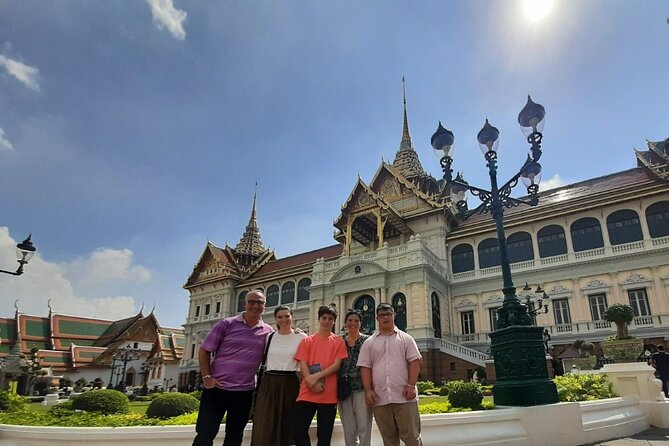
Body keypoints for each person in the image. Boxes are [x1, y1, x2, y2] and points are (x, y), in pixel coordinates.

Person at [193, 289, 273, 446]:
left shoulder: (268, 331)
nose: (255, 306)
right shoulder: (226, 324)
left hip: (244, 392)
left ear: (265, 306)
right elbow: (204, 350)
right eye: (251, 302)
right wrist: (207, 378)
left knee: (235, 436)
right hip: (217, 389)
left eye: (259, 302)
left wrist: (297, 334)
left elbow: (277, 351)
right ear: (245, 303)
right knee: (205, 433)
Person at [358, 303, 423, 446]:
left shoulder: (406, 339)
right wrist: (368, 390)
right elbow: (365, 368)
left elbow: (415, 362)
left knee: (412, 438)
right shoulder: (369, 343)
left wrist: (411, 385)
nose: (385, 317)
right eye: (382, 315)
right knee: (389, 441)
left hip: (405, 397)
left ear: (394, 316)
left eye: (388, 314)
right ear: (377, 318)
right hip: (380, 399)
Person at [251, 305, 307, 446]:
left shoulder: (301, 337)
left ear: (292, 316)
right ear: (275, 319)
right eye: (280, 317)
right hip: (270, 383)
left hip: (291, 383)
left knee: (289, 423)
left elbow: (306, 361)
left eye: (287, 316)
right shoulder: (269, 337)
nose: (284, 320)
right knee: (266, 422)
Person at [294, 305, 348, 446]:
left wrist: (315, 377)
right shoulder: (307, 341)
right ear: (319, 319)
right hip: (307, 391)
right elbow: (303, 363)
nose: (327, 321)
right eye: (324, 318)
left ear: (334, 322)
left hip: (328, 394)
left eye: (330, 318)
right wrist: (310, 381)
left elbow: (336, 365)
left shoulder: (339, 342)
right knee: (298, 430)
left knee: (324, 436)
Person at [338, 309, 373, 446]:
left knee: (364, 426)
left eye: (356, 321)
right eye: (350, 320)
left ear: (360, 323)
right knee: (349, 428)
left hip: (362, 389)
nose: (353, 323)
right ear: (345, 323)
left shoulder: (367, 341)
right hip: (344, 390)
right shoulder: (339, 342)